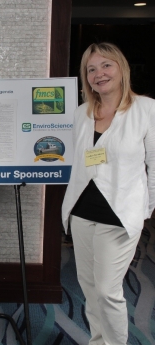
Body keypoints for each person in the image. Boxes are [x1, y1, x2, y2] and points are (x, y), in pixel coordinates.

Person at [62, 42, 155, 345]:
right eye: (91, 69)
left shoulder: (146, 109)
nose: (99, 74)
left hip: (120, 216)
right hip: (82, 212)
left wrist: (145, 210)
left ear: (121, 68)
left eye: (106, 66)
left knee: (107, 291)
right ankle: (97, 341)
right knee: (89, 289)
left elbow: (154, 164)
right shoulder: (81, 114)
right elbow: (84, 162)